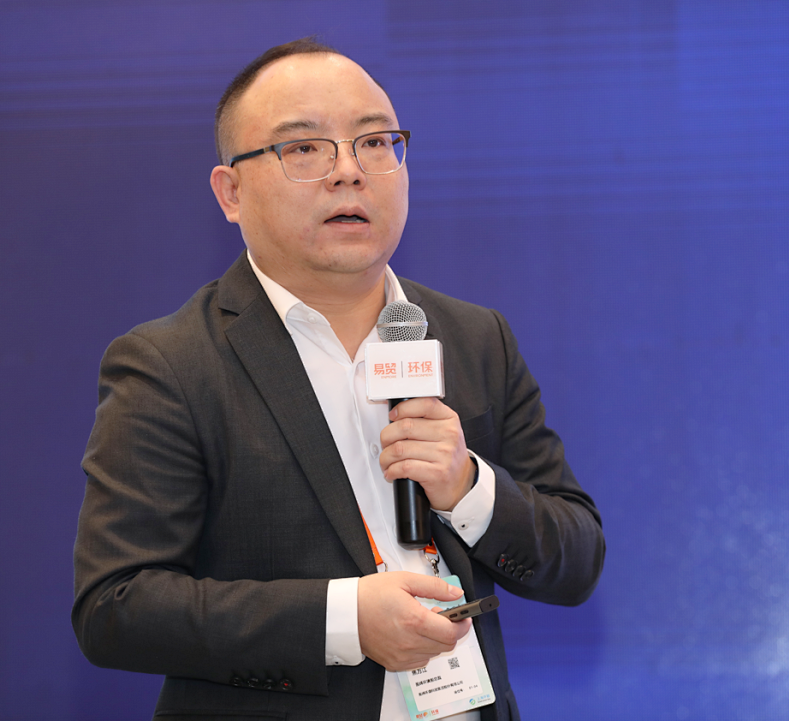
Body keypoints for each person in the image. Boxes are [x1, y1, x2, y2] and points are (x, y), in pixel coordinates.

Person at [72, 38, 605, 721]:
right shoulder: (170, 364)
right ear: (231, 192)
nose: (349, 172)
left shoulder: (475, 338)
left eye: (375, 143)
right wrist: (344, 619)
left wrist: (467, 487)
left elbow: (576, 561)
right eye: (305, 149)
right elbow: (116, 607)